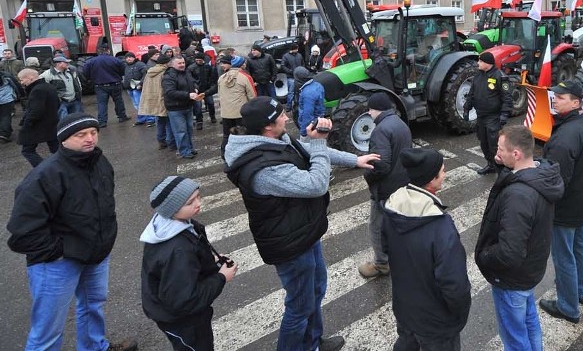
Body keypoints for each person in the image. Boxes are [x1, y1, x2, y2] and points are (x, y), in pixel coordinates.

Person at [223, 96, 378, 351]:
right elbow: (316, 184)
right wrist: (317, 141)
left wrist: (354, 160)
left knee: (316, 289)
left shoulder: (273, 140)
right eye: (281, 116)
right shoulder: (262, 167)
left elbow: (307, 151)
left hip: (302, 231)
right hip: (289, 243)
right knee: (299, 306)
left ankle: (313, 342)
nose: (286, 118)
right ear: (267, 126)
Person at [6, 112, 138, 351]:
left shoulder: (100, 162)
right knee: (48, 328)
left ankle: (94, 347)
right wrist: (59, 251)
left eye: (93, 132)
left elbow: (105, 204)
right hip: (56, 262)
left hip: (96, 254)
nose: (89, 139)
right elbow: (22, 233)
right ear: (64, 139)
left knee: (93, 305)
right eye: (81, 135)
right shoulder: (45, 175)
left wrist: (104, 238)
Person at [475, 125, 564, 351]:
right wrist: (500, 159)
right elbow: (510, 173)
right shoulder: (538, 175)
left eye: (500, 149)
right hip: (530, 270)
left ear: (516, 154)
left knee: (514, 336)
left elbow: (509, 251)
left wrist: (484, 256)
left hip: (512, 278)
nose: (497, 152)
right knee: (528, 319)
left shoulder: (519, 195)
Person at [383, 148, 471, 351]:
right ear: (431, 180)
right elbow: (455, 285)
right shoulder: (441, 227)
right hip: (435, 322)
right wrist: (458, 316)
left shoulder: (391, 208)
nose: (445, 174)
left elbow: (387, 248)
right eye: (442, 171)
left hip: (405, 309)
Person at [141, 176, 237, 351]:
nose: (198, 203)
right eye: (189, 202)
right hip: (182, 321)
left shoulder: (175, 224)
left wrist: (210, 260)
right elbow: (185, 301)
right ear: (171, 209)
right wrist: (222, 277)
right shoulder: (178, 250)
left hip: (176, 312)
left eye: (198, 196)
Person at [539, 80, 583, 323]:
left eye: (561, 97)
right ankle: (581, 292)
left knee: (563, 255)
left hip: (564, 207)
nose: (555, 99)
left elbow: (555, 181)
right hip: (582, 200)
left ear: (576, 102)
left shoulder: (565, 136)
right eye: (555, 95)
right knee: (579, 248)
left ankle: (568, 307)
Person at [359, 92, 412, 278]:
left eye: (370, 110)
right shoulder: (400, 123)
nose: (369, 114)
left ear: (375, 110)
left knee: (377, 226)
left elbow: (381, 164)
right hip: (401, 183)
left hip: (385, 188)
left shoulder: (380, 130)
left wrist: (368, 177)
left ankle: (381, 264)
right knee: (398, 223)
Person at [463, 51, 512, 175]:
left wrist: (504, 115)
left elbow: (507, 98)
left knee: (494, 145)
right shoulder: (478, 75)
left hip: (493, 117)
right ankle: (490, 165)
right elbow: (471, 93)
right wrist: (466, 108)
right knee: (484, 143)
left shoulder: (500, 76)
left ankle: (501, 170)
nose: (478, 63)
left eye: (480, 61)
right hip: (481, 116)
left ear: (487, 63)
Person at [201, 54, 256, 156]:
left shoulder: (222, 78)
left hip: (226, 113)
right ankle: (244, 154)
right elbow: (252, 96)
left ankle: (225, 153)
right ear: (241, 65)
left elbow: (220, 95)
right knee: (243, 134)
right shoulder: (245, 77)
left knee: (227, 135)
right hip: (241, 112)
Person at [16, 68, 61, 167]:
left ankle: (43, 169)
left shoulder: (37, 90)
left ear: (30, 78)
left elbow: (35, 111)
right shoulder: (49, 87)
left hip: (38, 125)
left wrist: (27, 125)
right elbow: (57, 103)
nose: (21, 83)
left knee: (27, 150)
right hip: (51, 123)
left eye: (22, 80)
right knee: (56, 148)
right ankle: (65, 165)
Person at [162, 55, 200, 160]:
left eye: (183, 63)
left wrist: (195, 88)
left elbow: (193, 83)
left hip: (188, 105)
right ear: (173, 64)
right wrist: (188, 95)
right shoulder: (168, 76)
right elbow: (170, 92)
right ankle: (184, 151)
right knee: (181, 131)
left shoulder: (187, 72)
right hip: (175, 108)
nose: (182, 65)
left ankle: (190, 148)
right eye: (179, 63)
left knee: (189, 129)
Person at [80, 46, 129, 127]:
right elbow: (123, 71)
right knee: (118, 101)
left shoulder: (91, 61)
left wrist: (92, 78)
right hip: (115, 84)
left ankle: (102, 121)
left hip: (100, 85)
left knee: (102, 103)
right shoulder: (116, 60)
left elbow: (85, 72)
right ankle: (122, 116)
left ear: (98, 51)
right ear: (108, 51)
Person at [139, 53, 175, 150]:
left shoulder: (151, 72)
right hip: (163, 100)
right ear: (166, 63)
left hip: (154, 101)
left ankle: (161, 142)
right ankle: (171, 143)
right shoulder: (164, 72)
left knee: (159, 122)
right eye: (170, 62)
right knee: (168, 122)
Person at [40, 54, 83, 119]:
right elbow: (41, 88)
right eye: (65, 62)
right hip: (61, 102)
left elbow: (78, 83)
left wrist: (79, 92)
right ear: (58, 64)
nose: (68, 64)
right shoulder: (47, 74)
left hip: (74, 100)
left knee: (76, 119)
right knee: (64, 121)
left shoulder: (71, 71)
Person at [123, 52, 154, 125]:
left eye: (130, 57)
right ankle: (141, 119)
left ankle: (151, 119)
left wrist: (141, 83)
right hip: (130, 88)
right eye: (127, 57)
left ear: (134, 57)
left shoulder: (140, 64)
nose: (128, 58)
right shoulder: (126, 66)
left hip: (138, 88)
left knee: (142, 104)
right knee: (137, 105)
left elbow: (146, 74)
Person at [189, 52, 218, 130]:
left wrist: (211, 86)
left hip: (207, 89)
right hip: (197, 90)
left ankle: (212, 116)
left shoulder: (208, 67)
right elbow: (191, 80)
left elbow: (212, 77)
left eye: (200, 60)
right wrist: (194, 88)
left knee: (211, 103)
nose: (198, 62)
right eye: (197, 60)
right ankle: (199, 121)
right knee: (198, 107)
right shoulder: (191, 68)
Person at [294, 67, 325, 139]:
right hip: (319, 120)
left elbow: (307, 115)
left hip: (311, 127)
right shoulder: (318, 85)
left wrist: (304, 133)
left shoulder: (307, 93)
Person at [279, 43, 304, 110]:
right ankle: (288, 106)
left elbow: (302, 64)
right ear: (292, 49)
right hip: (291, 77)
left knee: (298, 92)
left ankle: (297, 105)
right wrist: (290, 71)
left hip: (299, 77)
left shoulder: (299, 55)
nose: (297, 50)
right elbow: (283, 66)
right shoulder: (286, 56)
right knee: (291, 92)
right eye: (296, 49)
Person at [0, 68, 19, 143]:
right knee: (5, 116)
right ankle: (4, 134)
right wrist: (21, 94)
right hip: (6, 99)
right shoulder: (6, 75)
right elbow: (16, 84)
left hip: (5, 99)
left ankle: (6, 130)